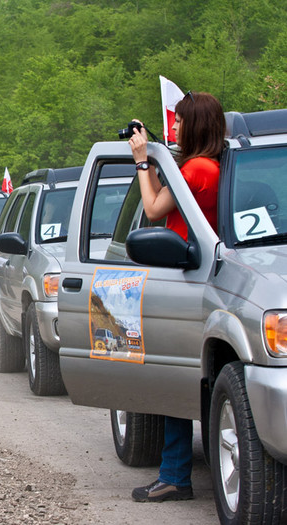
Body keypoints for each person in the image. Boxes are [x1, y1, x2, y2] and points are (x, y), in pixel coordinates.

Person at [127, 91, 225, 503]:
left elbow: (151, 209)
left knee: (173, 378)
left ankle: (174, 474)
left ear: (197, 125)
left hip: (186, 281)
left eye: (181, 122)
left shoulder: (199, 169)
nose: (176, 128)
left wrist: (141, 160)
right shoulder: (212, 165)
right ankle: (174, 471)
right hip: (198, 278)